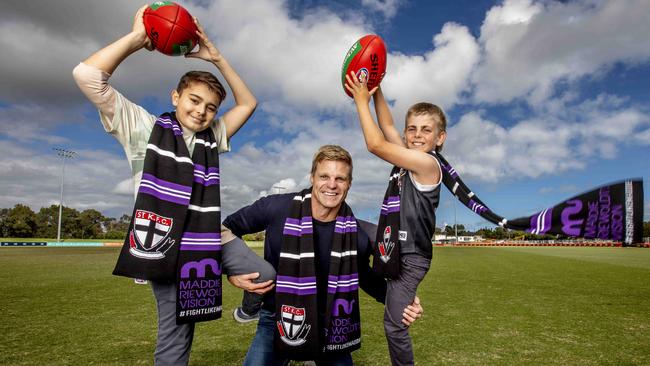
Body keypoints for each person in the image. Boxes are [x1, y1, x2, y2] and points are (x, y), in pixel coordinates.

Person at [73, 6, 274, 365]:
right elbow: (86, 75)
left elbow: (249, 102)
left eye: (211, 107)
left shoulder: (212, 137)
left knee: (266, 275)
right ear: (175, 97)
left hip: (209, 235)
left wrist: (216, 58)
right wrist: (136, 39)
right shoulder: (144, 128)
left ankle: (243, 305)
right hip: (164, 241)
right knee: (176, 335)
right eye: (195, 101)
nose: (201, 112)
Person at [223, 145, 423, 366]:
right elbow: (227, 228)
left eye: (340, 178)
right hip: (276, 315)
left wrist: (401, 299)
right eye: (324, 176)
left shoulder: (355, 234)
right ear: (312, 177)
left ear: (349, 184)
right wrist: (232, 272)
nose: (332, 184)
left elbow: (365, 276)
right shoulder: (275, 207)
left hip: (330, 320)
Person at [345, 74, 446, 366]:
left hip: (410, 256)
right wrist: (377, 90)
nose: (416, 135)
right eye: (411, 129)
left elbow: (376, 143)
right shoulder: (406, 154)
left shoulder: (427, 163)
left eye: (426, 130)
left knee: (394, 325)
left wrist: (361, 102)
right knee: (342, 223)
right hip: (388, 241)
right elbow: (387, 126)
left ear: (440, 138)